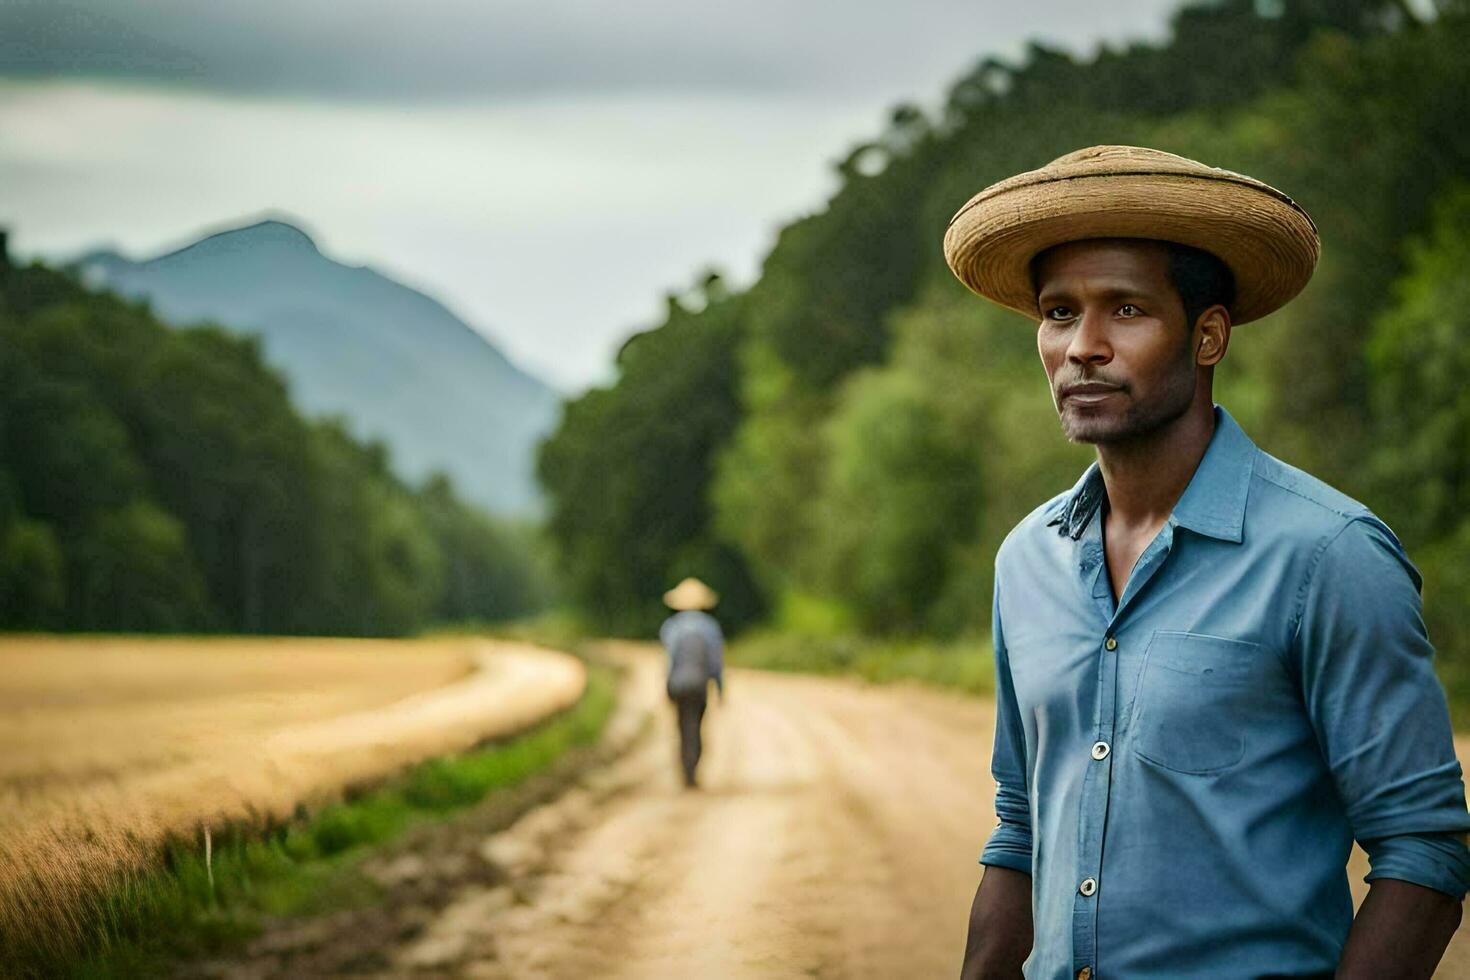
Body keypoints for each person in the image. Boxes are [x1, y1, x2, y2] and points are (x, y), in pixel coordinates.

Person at [943, 145, 1470, 979]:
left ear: (1208, 334)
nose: (1082, 346)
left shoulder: (1327, 555)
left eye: (1125, 310)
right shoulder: (1027, 560)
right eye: (1057, 313)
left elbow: (1425, 847)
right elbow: (1019, 824)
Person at [659, 576, 724, 788]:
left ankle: (685, 769)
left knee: (681, 726)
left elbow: (669, 660)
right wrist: (720, 687)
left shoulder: (672, 627)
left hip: (678, 684)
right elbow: (715, 663)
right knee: (695, 725)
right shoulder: (710, 628)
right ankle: (692, 766)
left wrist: (666, 686)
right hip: (699, 686)